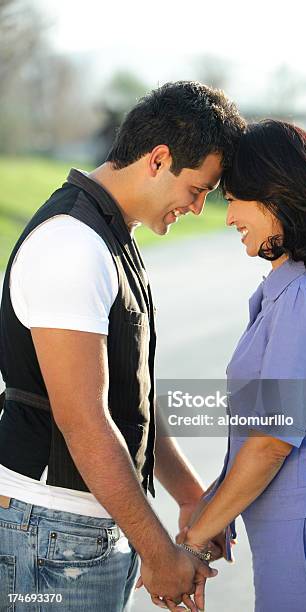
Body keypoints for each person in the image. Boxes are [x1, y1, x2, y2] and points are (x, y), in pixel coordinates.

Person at [0, 81, 245, 611]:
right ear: (158, 159)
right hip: (49, 530)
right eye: (199, 189)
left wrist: (190, 496)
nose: (199, 208)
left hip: (74, 528)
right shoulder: (72, 243)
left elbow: (129, 399)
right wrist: (158, 552)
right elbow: (84, 420)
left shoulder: (109, 236)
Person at [178, 120, 306, 612]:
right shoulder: (291, 290)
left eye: (235, 199)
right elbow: (258, 439)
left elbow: (272, 443)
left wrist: (191, 543)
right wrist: (213, 512)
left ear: (277, 198)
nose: (228, 216)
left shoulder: (302, 299)